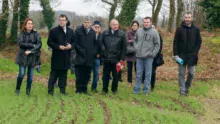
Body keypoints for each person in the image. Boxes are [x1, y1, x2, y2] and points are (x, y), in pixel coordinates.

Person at [173, 12, 202, 96]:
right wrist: (176, 54)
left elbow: (199, 41)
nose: (187, 19)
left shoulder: (196, 29)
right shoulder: (179, 29)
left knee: (191, 73)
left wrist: (196, 52)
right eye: (186, 17)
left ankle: (186, 86)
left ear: (191, 18)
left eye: (189, 17)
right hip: (181, 55)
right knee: (181, 73)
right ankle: (182, 90)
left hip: (192, 56)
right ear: (184, 18)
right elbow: (175, 42)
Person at [47, 14, 74, 95]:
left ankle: (62, 91)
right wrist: (58, 46)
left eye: (63, 20)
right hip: (57, 57)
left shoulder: (70, 31)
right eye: (60, 20)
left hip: (66, 56)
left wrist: (71, 46)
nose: (61, 21)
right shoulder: (54, 31)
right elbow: (49, 42)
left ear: (66, 21)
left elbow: (75, 42)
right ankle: (50, 91)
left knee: (64, 75)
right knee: (54, 75)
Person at [133, 17, 160, 94]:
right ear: (143, 22)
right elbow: (135, 40)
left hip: (148, 57)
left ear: (150, 22)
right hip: (139, 56)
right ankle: (136, 90)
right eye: (144, 22)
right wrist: (136, 48)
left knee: (148, 74)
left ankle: (146, 91)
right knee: (138, 74)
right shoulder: (139, 30)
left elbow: (157, 45)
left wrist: (152, 54)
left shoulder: (154, 32)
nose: (146, 23)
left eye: (147, 22)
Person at [15, 18, 42, 96]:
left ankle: (28, 91)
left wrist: (31, 51)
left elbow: (39, 44)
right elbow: (20, 44)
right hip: (22, 56)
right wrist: (32, 45)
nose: (30, 25)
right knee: (21, 74)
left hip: (32, 57)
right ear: (25, 25)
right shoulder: (21, 34)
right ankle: (17, 89)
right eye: (29, 23)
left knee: (30, 77)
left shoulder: (36, 34)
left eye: (31, 23)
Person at [101, 19, 127, 94]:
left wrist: (122, 59)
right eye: (114, 24)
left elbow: (124, 47)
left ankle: (114, 89)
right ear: (110, 25)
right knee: (106, 75)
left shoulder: (122, 34)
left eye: (117, 24)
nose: (116, 26)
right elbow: (101, 43)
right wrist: (103, 51)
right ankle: (104, 90)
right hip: (107, 58)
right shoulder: (105, 33)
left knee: (116, 76)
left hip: (118, 59)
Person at [74, 17, 97, 94]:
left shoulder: (93, 32)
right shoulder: (78, 31)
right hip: (80, 57)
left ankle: (84, 89)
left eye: (88, 22)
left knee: (87, 75)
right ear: (83, 23)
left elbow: (95, 45)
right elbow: (75, 44)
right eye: (85, 22)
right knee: (79, 75)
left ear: (90, 23)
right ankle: (78, 90)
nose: (86, 24)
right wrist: (81, 51)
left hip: (89, 58)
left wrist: (93, 53)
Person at [125, 20, 139, 87]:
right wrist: (134, 40)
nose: (134, 27)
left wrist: (131, 41)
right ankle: (129, 82)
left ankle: (137, 82)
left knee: (137, 69)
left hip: (137, 53)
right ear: (131, 26)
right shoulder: (128, 33)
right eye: (133, 25)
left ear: (138, 26)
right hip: (129, 53)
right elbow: (126, 41)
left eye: (135, 25)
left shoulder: (140, 33)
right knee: (129, 69)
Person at [150, 25, 164, 91]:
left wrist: (154, 54)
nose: (152, 29)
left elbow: (160, 47)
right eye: (151, 28)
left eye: (153, 28)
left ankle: (152, 85)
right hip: (147, 56)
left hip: (155, 57)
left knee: (153, 71)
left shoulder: (158, 36)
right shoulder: (147, 35)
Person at [91, 21, 102, 92]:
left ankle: (94, 88)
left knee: (96, 74)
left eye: (98, 27)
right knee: (87, 73)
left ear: (100, 28)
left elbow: (104, 46)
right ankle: (84, 87)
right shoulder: (89, 35)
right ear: (92, 27)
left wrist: (100, 53)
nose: (96, 28)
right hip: (89, 57)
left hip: (97, 58)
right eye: (95, 27)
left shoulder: (102, 36)